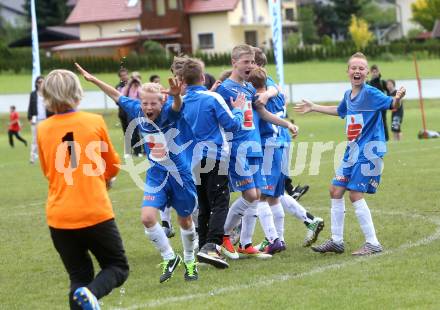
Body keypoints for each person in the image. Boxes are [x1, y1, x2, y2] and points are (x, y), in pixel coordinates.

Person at [76, 63, 199, 283]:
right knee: (147, 218)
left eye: (153, 103)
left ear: (162, 102)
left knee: (185, 221)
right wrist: (93, 80)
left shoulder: (170, 112)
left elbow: (177, 106)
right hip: (156, 173)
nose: (148, 107)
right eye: (145, 103)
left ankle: (190, 261)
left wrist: (176, 96)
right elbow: (116, 95)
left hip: (180, 175)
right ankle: (169, 257)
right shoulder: (136, 109)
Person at [295, 52, 406, 256]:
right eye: (353, 67)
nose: (357, 71)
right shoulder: (348, 95)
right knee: (335, 191)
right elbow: (340, 111)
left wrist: (397, 99)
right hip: (352, 150)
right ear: (348, 72)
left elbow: (392, 104)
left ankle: (373, 243)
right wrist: (313, 107)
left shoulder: (371, 93)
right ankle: (336, 241)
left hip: (370, 149)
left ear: (366, 73)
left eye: (361, 68)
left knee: (355, 194)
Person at [37, 69, 129, 310]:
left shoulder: (42, 129)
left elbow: (48, 171)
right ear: (77, 93)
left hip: (59, 215)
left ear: (46, 96)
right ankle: (91, 293)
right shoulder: (94, 121)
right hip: (93, 210)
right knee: (117, 267)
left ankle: (86, 293)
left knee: (78, 277)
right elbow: (112, 164)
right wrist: (105, 178)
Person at [216, 44, 297, 259]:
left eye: (252, 62)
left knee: (257, 195)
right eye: (246, 62)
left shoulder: (249, 89)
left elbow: (263, 112)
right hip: (238, 148)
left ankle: (245, 243)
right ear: (234, 63)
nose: (250, 66)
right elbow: (214, 115)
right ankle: (222, 235)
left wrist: (286, 124)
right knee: (251, 194)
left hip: (254, 148)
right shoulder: (225, 89)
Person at [251, 47, 324, 249]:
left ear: (256, 65)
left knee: (262, 195)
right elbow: (278, 91)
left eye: (249, 63)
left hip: (271, 144)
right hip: (281, 141)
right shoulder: (270, 83)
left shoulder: (260, 87)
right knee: (276, 194)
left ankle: (274, 239)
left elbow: (269, 99)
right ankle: (281, 237)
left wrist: (264, 96)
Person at [178, 57, 246, 267]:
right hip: (215, 155)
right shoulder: (212, 98)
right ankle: (212, 246)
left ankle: (203, 250)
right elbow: (233, 125)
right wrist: (238, 109)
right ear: (202, 77)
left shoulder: (181, 102)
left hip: (194, 159)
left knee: (204, 204)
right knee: (219, 202)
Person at [27, 75, 53, 163]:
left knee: (47, 138)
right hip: (36, 119)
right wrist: (29, 117)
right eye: (39, 82)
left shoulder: (48, 94)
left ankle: (47, 156)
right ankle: (32, 158)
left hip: (46, 120)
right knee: (35, 139)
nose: (41, 84)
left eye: (42, 82)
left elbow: (52, 107)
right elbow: (30, 106)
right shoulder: (33, 94)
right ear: (36, 84)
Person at [121, 72, 143, 157]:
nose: (134, 80)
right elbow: (122, 95)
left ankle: (138, 151)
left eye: (136, 78)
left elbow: (143, 95)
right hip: (130, 112)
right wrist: (129, 84)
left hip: (139, 111)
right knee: (130, 131)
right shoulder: (128, 88)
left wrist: (139, 83)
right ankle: (128, 151)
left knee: (139, 132)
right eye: (133, 78)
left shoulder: (141, 87)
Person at [368, 64, 389, 141]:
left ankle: (386, 138)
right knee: (372, 122)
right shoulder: (368, 83)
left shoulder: (382, 82)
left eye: (376, 72)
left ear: (378, 72)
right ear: (370, 73)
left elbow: (390, 92)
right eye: (373, 72)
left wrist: (389, 101)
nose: (374, 73)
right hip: (372, 107)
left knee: (383, 121)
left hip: (382, 106)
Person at [115, 68, 132, 157]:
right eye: (122, 75)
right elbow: (117, 100)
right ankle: (128, 151)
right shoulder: (118, 87)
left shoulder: (133, 85)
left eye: (125, 74)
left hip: (132, 111)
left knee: (135, 131)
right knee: (126, 132)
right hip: (123, 112)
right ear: (120, 77)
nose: (124, 77)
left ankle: (139, 151)